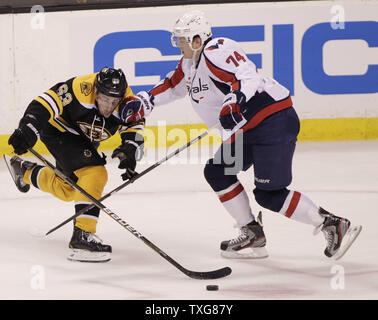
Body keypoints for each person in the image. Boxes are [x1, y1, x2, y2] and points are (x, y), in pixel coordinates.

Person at [118, 10, 362, 260]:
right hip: (244, 130)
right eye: (177, 39)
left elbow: (245, 75)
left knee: (268, 194)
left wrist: (235, 101)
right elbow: (172, 86)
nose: (179, 44)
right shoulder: (190, 64)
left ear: (198, 40)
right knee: (218, 172)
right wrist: (145, 101)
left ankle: (331, 223)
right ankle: (252, 232)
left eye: (183, 39)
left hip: (271, 122)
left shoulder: (218, 49)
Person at [5, 67, 145, 262]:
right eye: (104, 99)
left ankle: (25, 171)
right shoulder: (82, 88)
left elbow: (135, 124)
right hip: (58, 130)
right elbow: (45, 102)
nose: (108, 106)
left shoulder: (127, 100)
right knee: (95, 174)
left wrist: (130, 148)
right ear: (96, 91)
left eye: (114, 102)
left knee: (71, 190)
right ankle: (82, 236)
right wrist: (28, 128)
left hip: (82, 139)